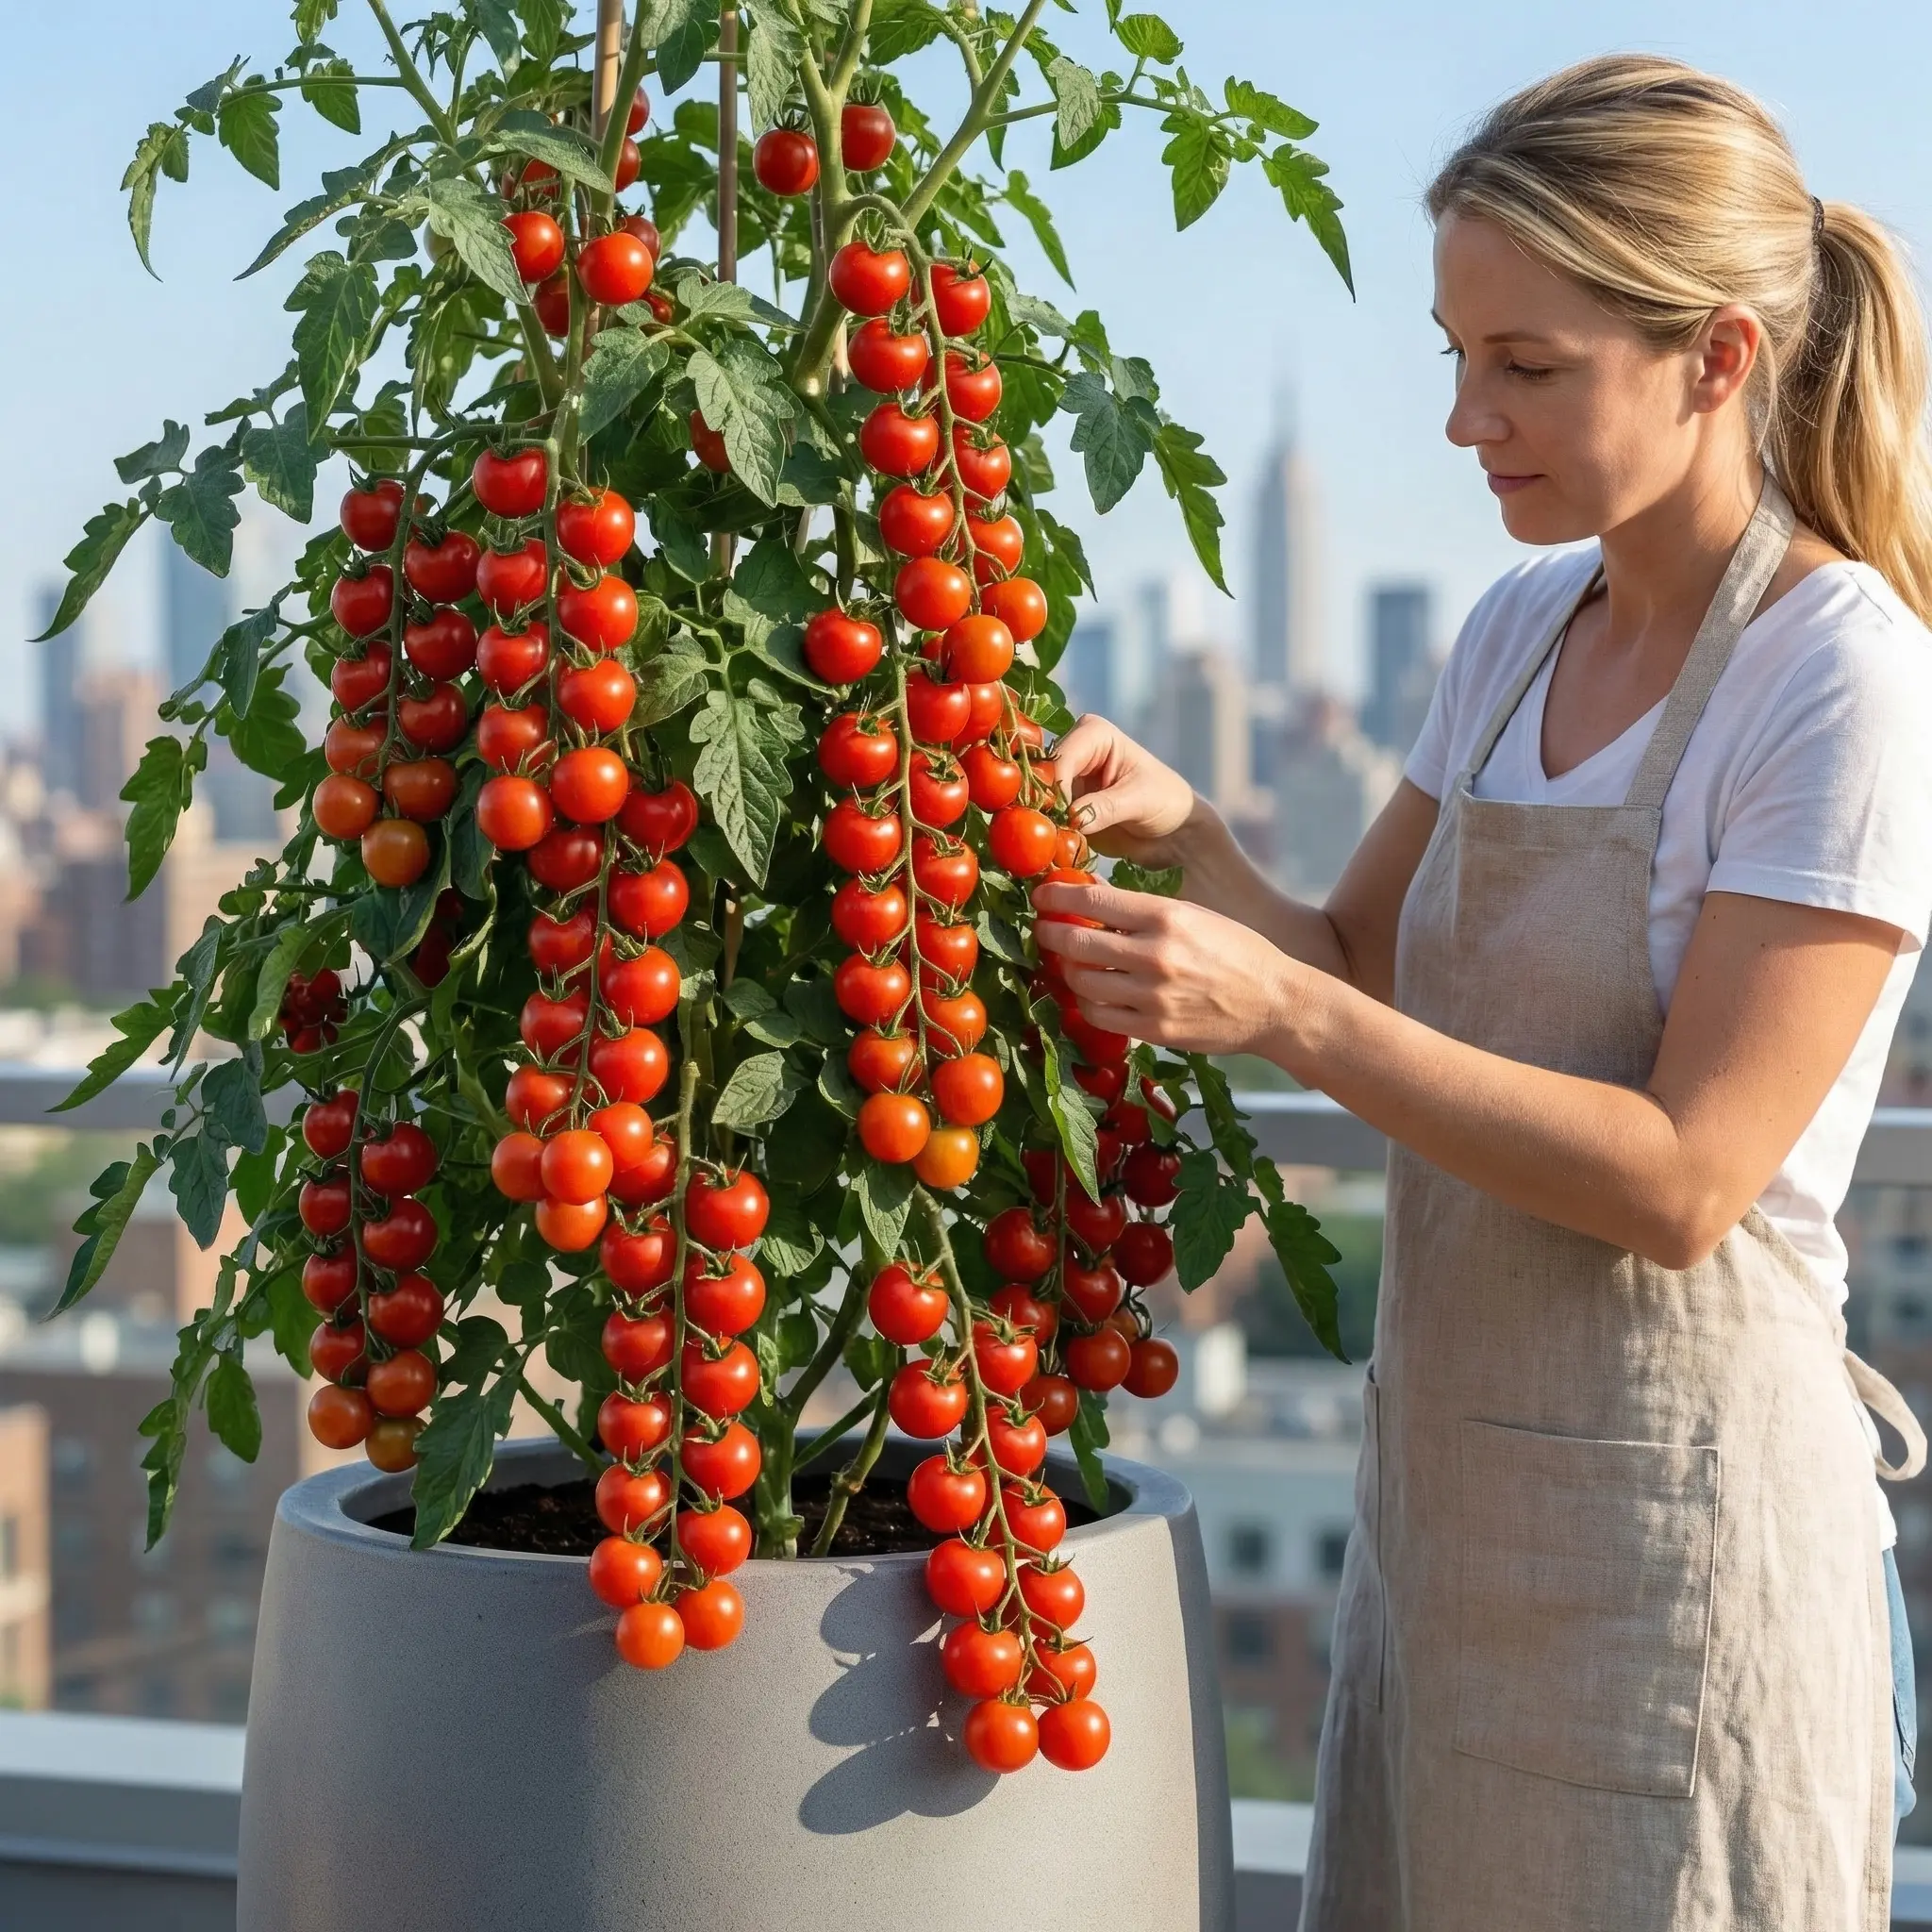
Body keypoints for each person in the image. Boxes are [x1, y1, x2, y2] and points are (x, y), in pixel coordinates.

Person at [1034, 53, 1932, 1930]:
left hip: (1685, 1559)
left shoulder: (1838, 677)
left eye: (1525, 367)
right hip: (1448, 1523)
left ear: (1715, 357)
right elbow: (1357, 960)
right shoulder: (1517, 632)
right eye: (1454, 357)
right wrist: (1189, 831)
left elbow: (1684, 1178)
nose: (1464, 420)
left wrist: (1282, 1022)